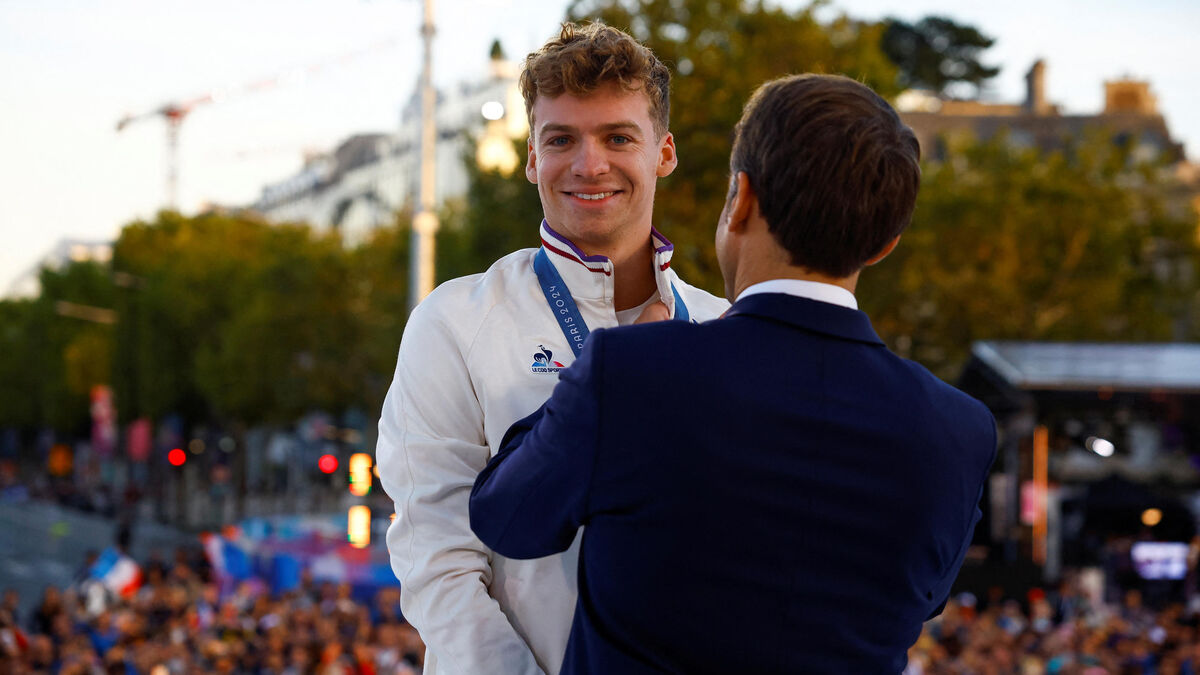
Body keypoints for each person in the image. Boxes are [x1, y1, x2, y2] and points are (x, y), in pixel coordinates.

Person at [470, 74, 998, 674]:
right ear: (884, 245)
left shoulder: (634, 372)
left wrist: (605, 367)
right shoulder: (961, 431)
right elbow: (923, 599)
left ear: (741, 199)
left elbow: (506, 519)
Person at [374, 22, 729, 675]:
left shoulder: (726, 328)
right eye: (561, 139)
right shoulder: (455, 320)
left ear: (665, 152)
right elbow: (439, 562)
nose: (588, 164)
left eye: (618, 138)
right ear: (532, 157)